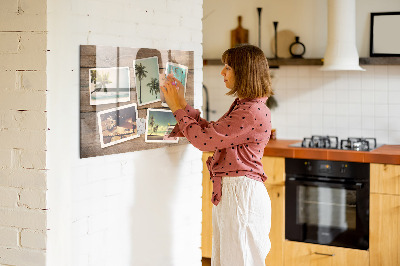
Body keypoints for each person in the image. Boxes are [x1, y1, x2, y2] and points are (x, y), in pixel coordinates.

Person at [161, 44, 273, 266]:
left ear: (244, 72)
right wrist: (182, 104)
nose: (222, 72)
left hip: (241, 195)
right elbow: (212, 133)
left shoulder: (250, 111)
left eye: (228, 67)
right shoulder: (246, 106)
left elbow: (204, 141)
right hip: (235, 193)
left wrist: (176, 108)